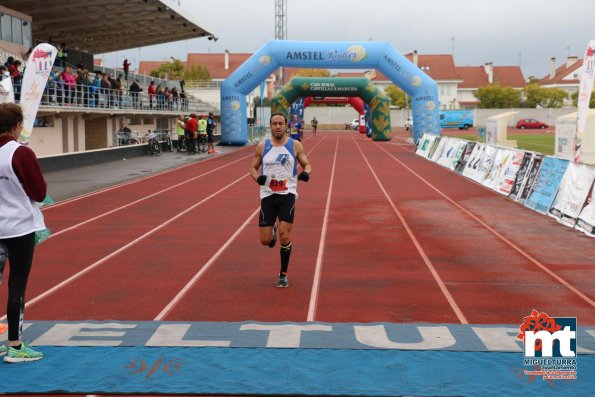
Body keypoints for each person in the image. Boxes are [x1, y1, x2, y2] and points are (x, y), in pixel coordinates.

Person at [0, 103, 47, 362]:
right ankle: (15, 346)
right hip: (18, 228)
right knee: (16, 284)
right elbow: (39, 192)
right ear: (17, 126)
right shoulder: (20, 153)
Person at [249, 112, 312, 288]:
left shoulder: (295, 145)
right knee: (265, 241)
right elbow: (253, 168)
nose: (278, 126)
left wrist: (306, 172)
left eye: (281, 124)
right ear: (270, 126)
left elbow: (307, 163)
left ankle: (283, 274)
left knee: (286, 236)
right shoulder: (262, 146)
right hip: (268, 195)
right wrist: (258, 178)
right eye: (274, 124)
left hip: (288, 194)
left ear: (286, 125)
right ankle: (272, 230)